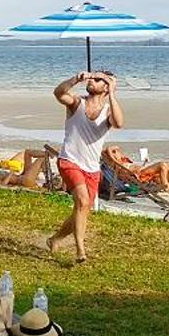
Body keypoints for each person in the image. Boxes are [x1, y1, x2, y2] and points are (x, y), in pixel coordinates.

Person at [46, 71, 122, 263]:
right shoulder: (77, 103)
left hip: (91, 167)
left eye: (98, 80)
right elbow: (58, 93)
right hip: (69, 160)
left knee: (82, 208)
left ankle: (55, 239)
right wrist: (75, 79)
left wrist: (112, 93)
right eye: (92, 78)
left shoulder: (107, 111)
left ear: (106, 87)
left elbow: (119, 123)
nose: (91, 81)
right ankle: (80, 251)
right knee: (81, 200)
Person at [102, 144, 169, 192]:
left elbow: (116, 147)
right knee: (162, 165)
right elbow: (108, 149)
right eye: (114, 152)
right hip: (139, 175)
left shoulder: (124, 160)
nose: (118, 152)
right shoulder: (116, 164)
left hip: (142, 170)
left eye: (117, 151)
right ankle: (166, 187)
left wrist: (144, 162)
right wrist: (113, 155)